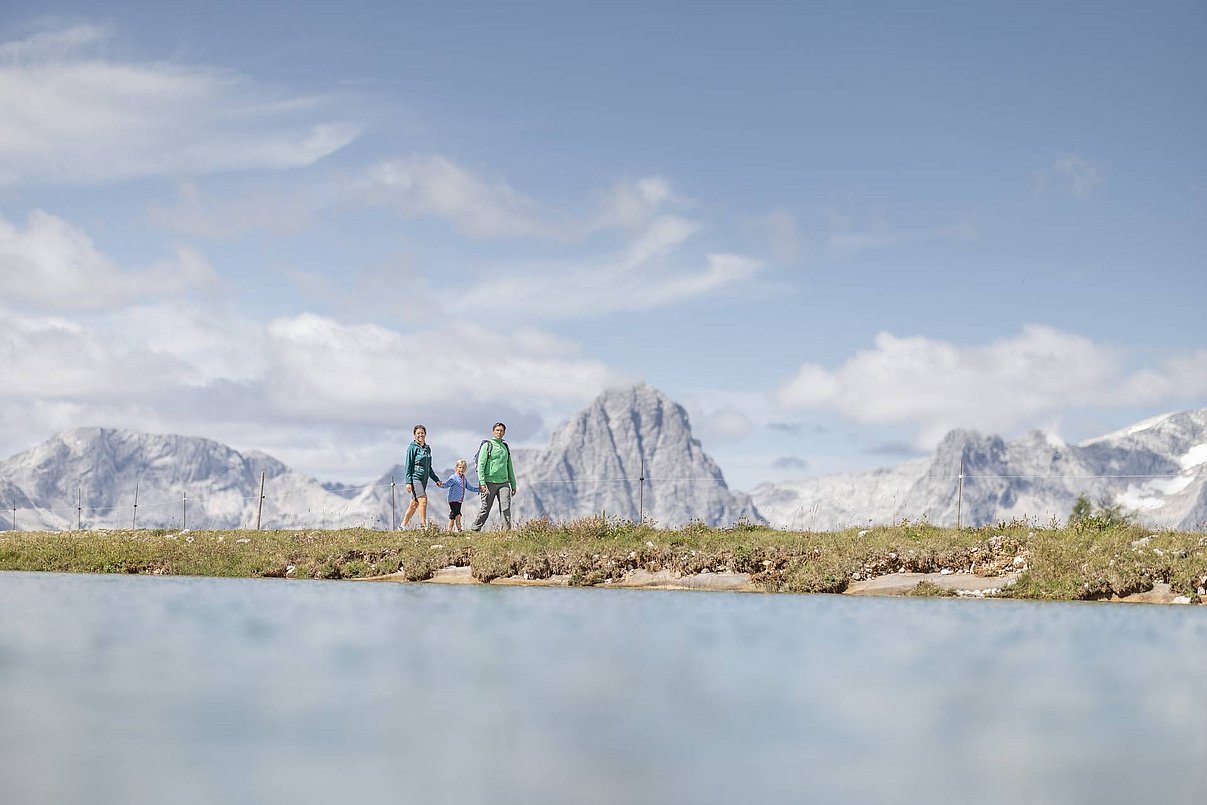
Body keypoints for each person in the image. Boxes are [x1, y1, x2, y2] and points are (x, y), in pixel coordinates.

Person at [471, 422, 517, 531]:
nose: (499, 432)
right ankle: (475, 529)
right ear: (493, 432)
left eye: (501, 430)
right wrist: (482, 483)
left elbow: (509, 466)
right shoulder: (488, 445)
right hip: (489, 482)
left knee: (506, 508)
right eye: (497, 430)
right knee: (485, 508)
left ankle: (506, 531)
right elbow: (481, 465)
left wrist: (513, 484)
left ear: (504, 432)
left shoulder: (505, 447)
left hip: (504, 483)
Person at [402, 424, 442, 528]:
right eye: (418, 433)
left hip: (425, 479)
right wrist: (408, 482)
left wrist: (436, 479)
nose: (420, 435)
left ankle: (402, 526)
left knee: (414, 504)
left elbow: (429, 467)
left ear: (425, 434)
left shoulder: (427, 448)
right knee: (423, 500)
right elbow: (408, 465)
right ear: (414, 435)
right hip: (415, 478)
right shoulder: (412, 448)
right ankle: (423, 527)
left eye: (422, 433)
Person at [442, 459, 475, 533]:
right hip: (453, 500)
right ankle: (459, 530)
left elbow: (470, 487)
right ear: (456, 468)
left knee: (454, 515)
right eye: (460, 467)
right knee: (458, 514)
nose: (461, 469)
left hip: (459, 500)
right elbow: (446, 485)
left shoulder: (464, 479)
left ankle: (449, 531)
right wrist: (441, 485)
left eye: (463, 468)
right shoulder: (453, 477)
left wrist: (479, 490)